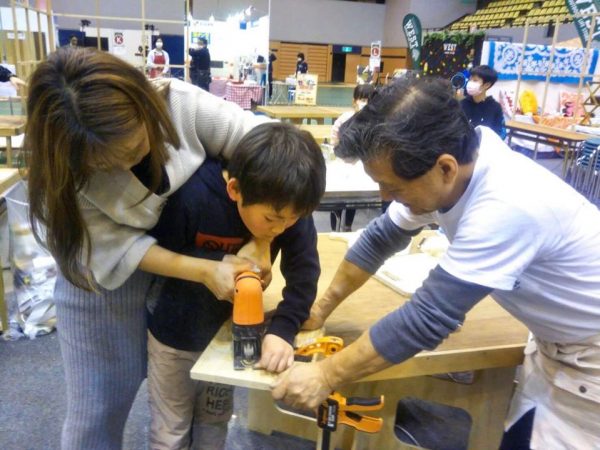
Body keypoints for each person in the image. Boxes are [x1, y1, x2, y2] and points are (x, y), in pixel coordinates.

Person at [272, 77, 600, 449]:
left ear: (444, 168)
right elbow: (381, 238)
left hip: (591, 361)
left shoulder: (507, 204)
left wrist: (325, 375)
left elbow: (426, 319)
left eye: (393, 187)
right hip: (554, 349)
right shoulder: (462, 167)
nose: (384, 196)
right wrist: (320, 309)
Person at [26, 47, 267, 449]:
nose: (130, 161)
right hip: (102, 289)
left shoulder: (180, 105)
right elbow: (119, 249)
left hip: (189, 285)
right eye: (106, 163)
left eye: (135, 143)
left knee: (198, 396)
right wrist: (205, 269)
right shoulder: (63, 179)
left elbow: (266, 148)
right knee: (97, 410)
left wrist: (262, 239)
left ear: (143, 102)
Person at [146, 122, 325, 449]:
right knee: (171, 428)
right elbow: (157, 254)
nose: (282, 227)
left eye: (293, 218)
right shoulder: (194, 195)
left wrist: (282, 330)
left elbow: (304, 274)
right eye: (272, 220)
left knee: (214, 419)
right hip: (174, 335)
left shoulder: (289, 206)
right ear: (235, 191)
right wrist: (210, 266)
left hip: (231, 337)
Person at [329, 83, 376, 232]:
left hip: (359, 165)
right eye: (362, 99)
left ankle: (348, 225)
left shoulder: (373, 122)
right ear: (354, 100)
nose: (364, 103)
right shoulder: (345, 118)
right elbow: (334, 135)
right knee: (337, 197)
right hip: (342, 162)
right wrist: (335, 147)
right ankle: (334, 227)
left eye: (368, 100)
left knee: (353, 198)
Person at [460, 64, 505, 139]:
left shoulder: (495, 107)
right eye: (470, 79)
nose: (470, 83)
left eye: (475, 80)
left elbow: (498, 133)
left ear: (486, 85)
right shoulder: (462, 104)